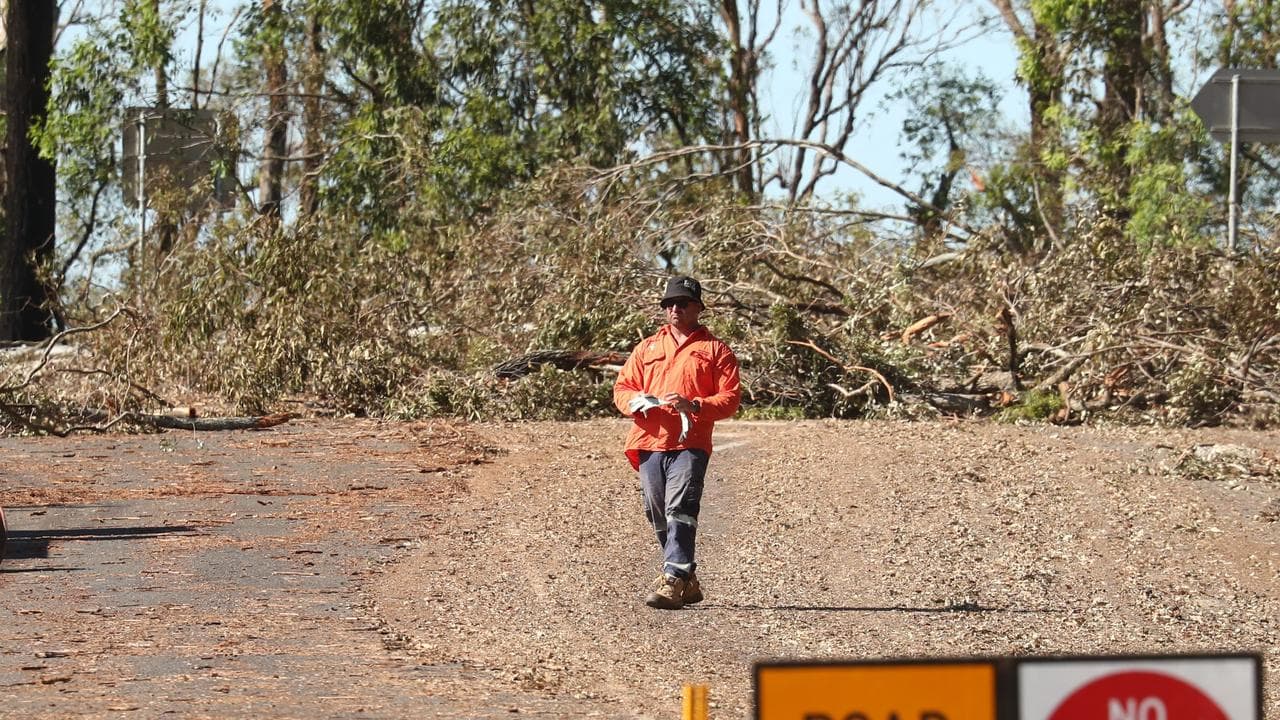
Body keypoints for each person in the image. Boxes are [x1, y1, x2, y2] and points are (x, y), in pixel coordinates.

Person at [613, 276, 741, 609]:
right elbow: (622, 388)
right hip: (648, 441)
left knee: (681, 509)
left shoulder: (716, 351)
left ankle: (672, 578)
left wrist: (695, 404)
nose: (674, 309)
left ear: (698, 307)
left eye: (682, 303)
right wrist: (636, 401)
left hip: (690, 443)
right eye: (669, 304)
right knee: (656, 512)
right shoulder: (647, 348)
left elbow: (730, 399)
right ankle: (687, 576)